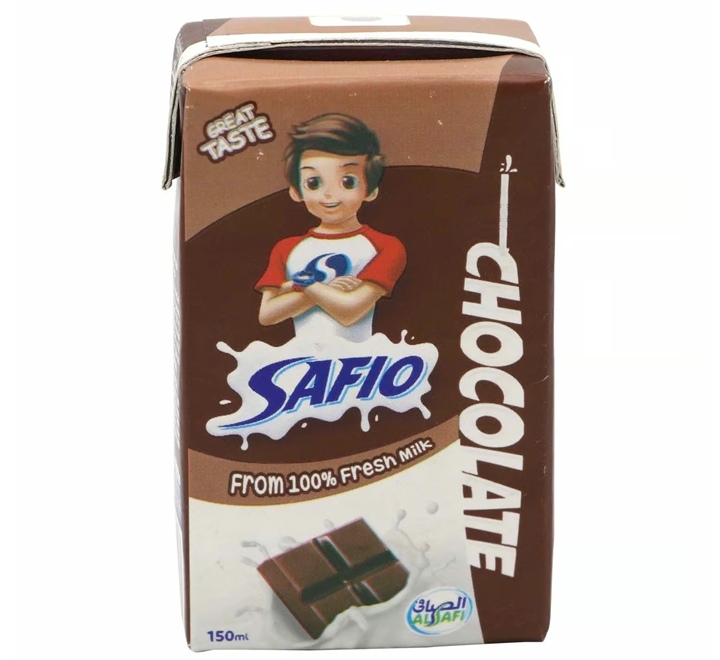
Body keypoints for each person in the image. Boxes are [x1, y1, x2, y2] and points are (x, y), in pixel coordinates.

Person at [255, 114, 407, 343]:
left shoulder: (385, 246)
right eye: (313, 182)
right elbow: (267, 315)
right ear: (296, 192)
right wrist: (322, 289)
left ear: (371, 191)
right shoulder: (286, 248)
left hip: (360, 358)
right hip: (299, 358)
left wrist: (298, 286)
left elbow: (350, 312)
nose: (329, 194)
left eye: (347, 182)